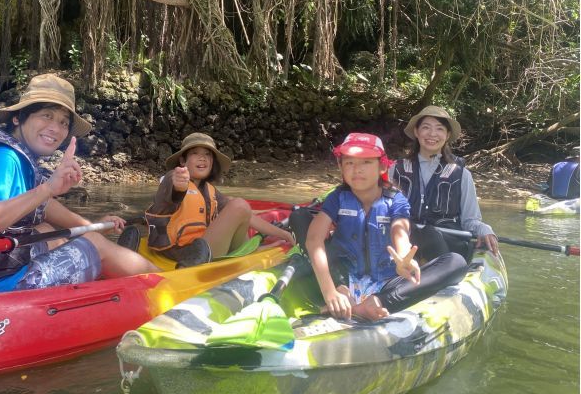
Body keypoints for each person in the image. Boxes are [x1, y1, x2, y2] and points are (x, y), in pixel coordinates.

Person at [0, 73, 159, 300]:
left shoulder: (14, 153)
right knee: (96, 246)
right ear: (18, 118)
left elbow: (41, 207)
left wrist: (90, 226)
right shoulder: (2, 158)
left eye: (63, 122)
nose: (56, 129)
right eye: (46, 116)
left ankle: (100, 271)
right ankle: (170, 283)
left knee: (45, 230)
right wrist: (47, 188)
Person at [304, 133, 467, 322]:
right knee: (300, 219)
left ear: (382, 166)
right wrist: (330, 292)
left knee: (456, 262)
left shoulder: (395, 200)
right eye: (349, 163)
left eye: (366, 162)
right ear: (340, 166)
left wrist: (404, 259)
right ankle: (348, 301)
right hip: (344, 280)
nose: (357, 169)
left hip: (388, 284)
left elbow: (400, 231)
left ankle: (374, 304)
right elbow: (314, 239)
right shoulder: (337, 198)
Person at [141, 132, 294, 267]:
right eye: (195, 153)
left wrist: (283, 234)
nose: (202, 158)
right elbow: (176, 190)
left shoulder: (209, 191)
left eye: (207, 154)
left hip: (201, 248)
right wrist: (179, 184)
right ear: (182, 161)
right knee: (239, 204)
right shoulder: (172, 178)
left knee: (239, 206)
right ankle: (244, 252)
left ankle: (247, 250)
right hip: (183, 255)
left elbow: (245, 215)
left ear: (212, 161)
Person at [390, 105, 499, 262]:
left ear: (447, 135)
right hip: (404, 238)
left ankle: (442, 272)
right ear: (416, 132)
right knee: (423, 233)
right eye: (426, 127)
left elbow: (470, 221)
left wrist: (484, 229)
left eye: (439, 129)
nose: (432, 134)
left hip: (446, 242)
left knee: (430, 234)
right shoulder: (396, 169)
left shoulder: (461, 175)